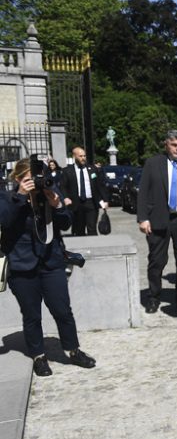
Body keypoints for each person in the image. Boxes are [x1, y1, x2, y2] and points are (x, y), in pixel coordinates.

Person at [0, 157, 96, 376]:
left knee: (63, 310)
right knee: (32, 314)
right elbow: (4, 221)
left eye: (40, 178)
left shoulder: (49, 192)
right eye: (30, 179)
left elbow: (65, 223)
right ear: (18, 179)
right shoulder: (7, 197)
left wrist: (57, 204)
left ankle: (73, 350)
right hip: (22, 266)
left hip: (51, 261)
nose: (37, 182)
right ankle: (39, 357)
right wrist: (21, 196)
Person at [137, 130, 177, 314]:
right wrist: (143, 218)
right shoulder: (153, 163)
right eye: (174, 145)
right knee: (157, 261)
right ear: (166, 145)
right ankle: (153, 297)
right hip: (157, 219)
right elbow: (143, 191)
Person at [60, 146, 109, 237]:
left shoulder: (92, 169)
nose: (83, 158)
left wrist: (105, 200)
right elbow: (63, 186)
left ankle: (94, 248)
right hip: (76, 203)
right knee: (79, 230)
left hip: (91, 203)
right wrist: (66, 197)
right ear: (74, 157)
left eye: (84, 156)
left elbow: (99, 186)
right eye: (81, 156)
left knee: (92, 229)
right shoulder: (67, 171)